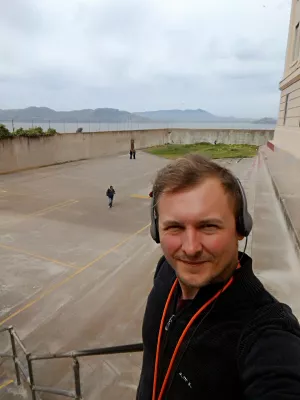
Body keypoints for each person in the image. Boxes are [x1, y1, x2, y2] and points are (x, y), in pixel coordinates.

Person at [137, 154, 300, 400]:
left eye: (208, 226)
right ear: (156, 231)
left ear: (241, 228)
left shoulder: (266, 332)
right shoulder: (166, 273)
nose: (191, 249)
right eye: (175, 227)